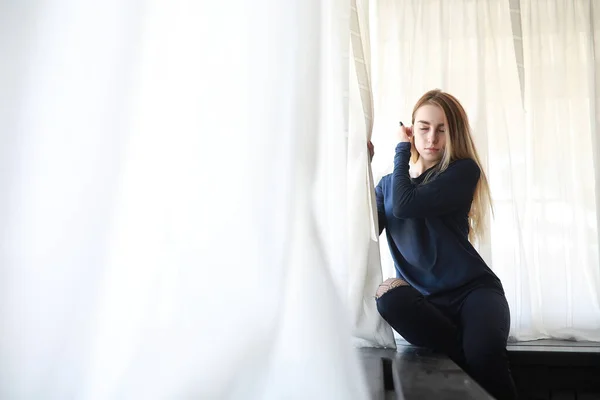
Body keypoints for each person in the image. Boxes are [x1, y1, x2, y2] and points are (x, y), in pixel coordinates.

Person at [369, 89, 518, 399]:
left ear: (454, 134)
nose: (431, 138)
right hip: (428, 306)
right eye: (423, 128)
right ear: (413, 130)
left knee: (483, 358)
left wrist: (400, 148)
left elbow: (406, 205)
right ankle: (464, 351)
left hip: (475, 295)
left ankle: (467, 353)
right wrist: (361, 167)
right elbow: (361, 229)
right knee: (387, 296)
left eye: (441, 129)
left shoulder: (463, 172)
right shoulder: (388, 185)